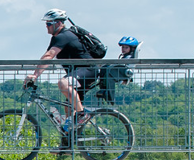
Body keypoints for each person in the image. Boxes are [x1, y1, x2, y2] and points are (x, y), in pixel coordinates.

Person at [23, 9, 96, 140]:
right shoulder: (57, 37)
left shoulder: (64, 36)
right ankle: (68, 145)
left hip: (88, 70)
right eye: (46, 23)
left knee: (63, 83)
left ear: (58, 23)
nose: (46, 26)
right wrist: (36, 75)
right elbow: (46, 58)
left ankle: (82, 114)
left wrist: (34, 76)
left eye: (49, 23)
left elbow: (49, 55)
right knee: (68, 109)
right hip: (79, 74)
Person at [97, 36, 139, 103]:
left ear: (132, 49)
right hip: (118, 73)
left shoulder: (129, 58)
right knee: (104, 68)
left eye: (126, 47)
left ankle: (109, 95)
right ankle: (104, 90)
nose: (123, 49)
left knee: (106, 68)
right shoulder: (125, 57)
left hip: (122, 75)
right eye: (123, 47)